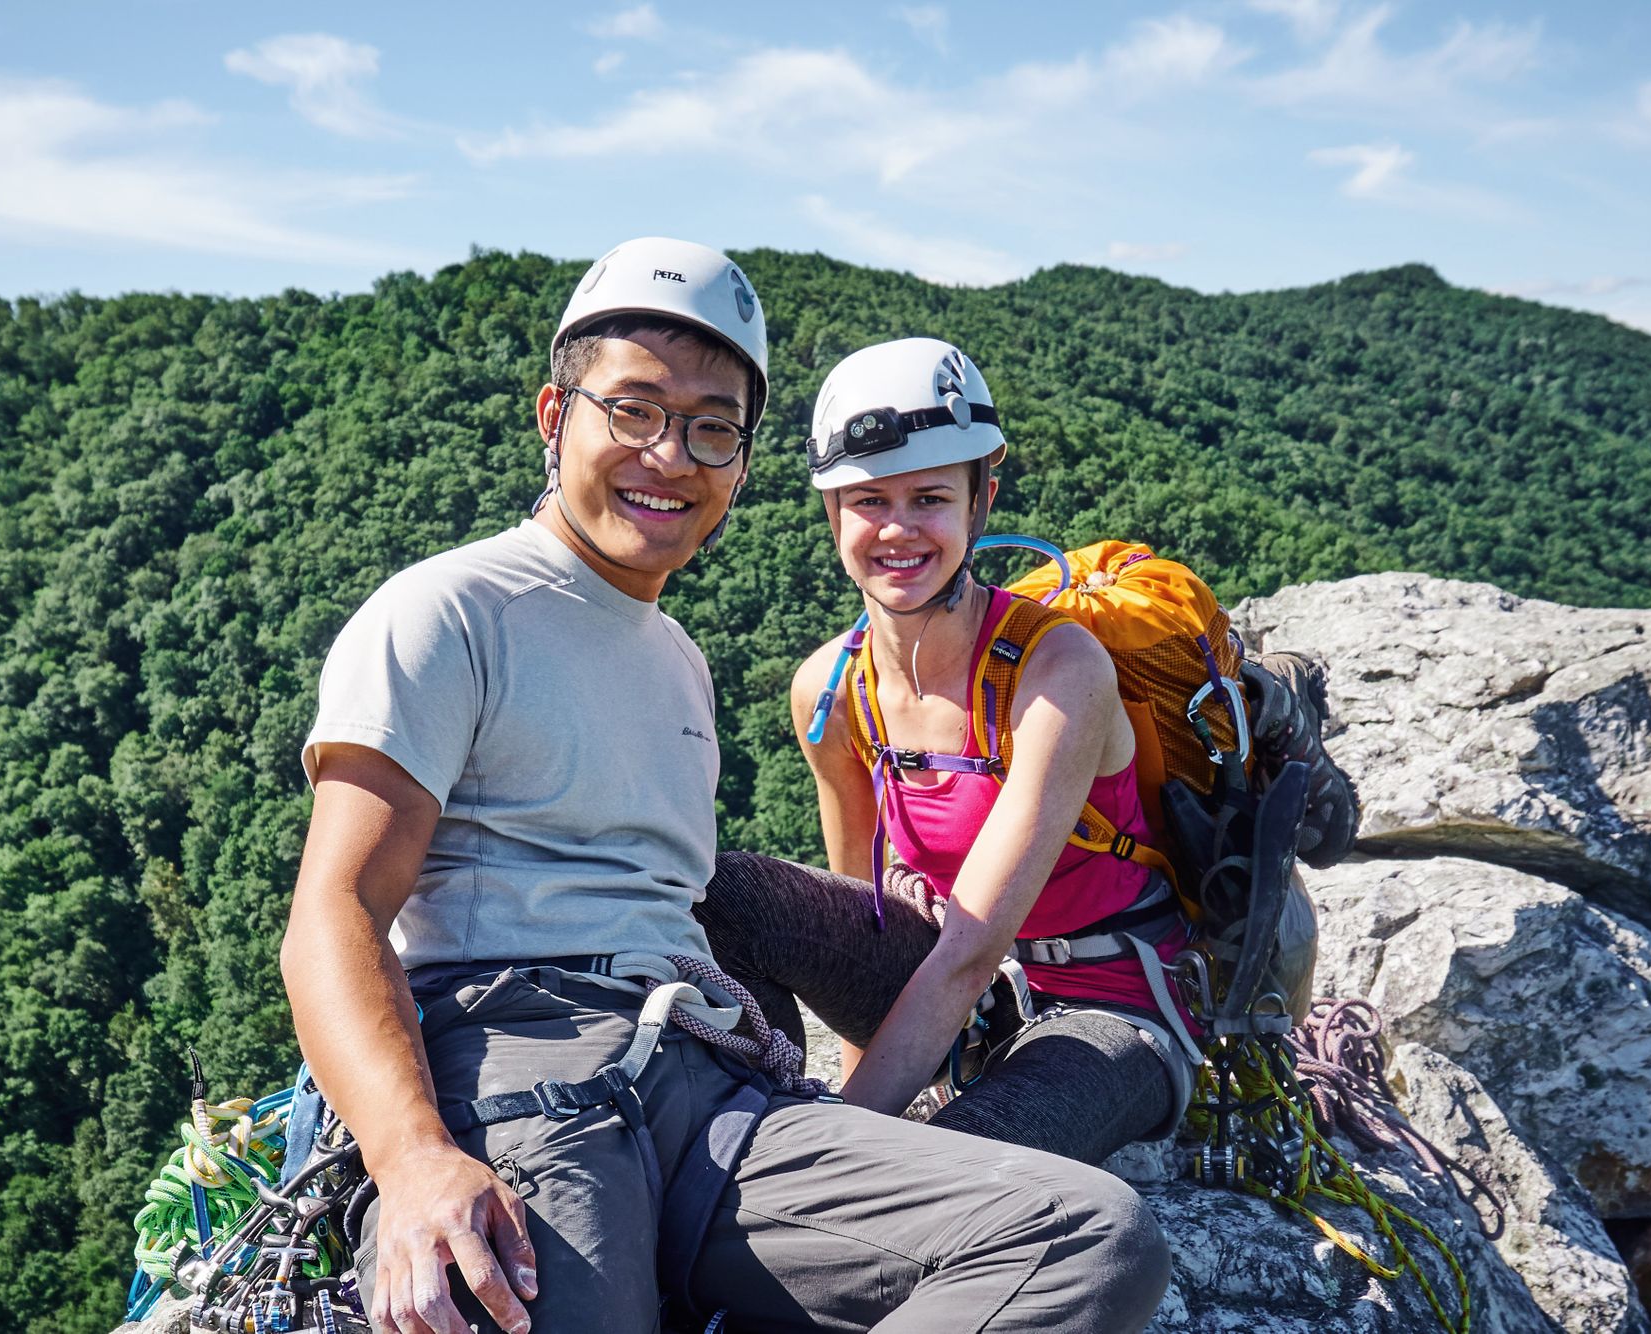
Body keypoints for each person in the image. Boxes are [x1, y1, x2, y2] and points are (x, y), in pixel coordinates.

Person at [284, 243, 1170, 1334]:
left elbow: (887, 926)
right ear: (554, 414)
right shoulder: (447, 611)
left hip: (700, 1076)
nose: (671, 455)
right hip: (524, 1075)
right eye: (634, 410)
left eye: (711, 428)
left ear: (740, 466)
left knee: (1083, 1236)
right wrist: (412, 1156)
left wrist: (843, 1125)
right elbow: (334, 908)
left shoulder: (678, 660)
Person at [700, 337, 1203, 1165]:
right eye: (868, 501)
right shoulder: (831, 688)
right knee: (720, 894)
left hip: (1110, 1006)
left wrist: (837, 1147)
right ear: (832, 515)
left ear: (980, 501)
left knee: (953, 1171)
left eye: (929, 497)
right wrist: (839, 1092)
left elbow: (968, 950)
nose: (898, 530)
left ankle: (791, 1170)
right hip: (960, 999)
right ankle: (746, 1122)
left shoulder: (1058, 669)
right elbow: (868, 918)